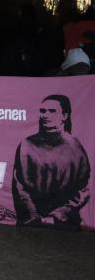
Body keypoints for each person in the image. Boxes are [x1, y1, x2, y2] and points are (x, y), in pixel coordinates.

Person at [12, 95, 90, 229]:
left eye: (52, 111)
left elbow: (84, 189)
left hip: (65, 225)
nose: (45, 115)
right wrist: (34, 218)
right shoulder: (26, 145)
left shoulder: (76, 147)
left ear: (64, 115)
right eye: (43, 111)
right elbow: (20, 186)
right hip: (31, 224)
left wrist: (57, 216)